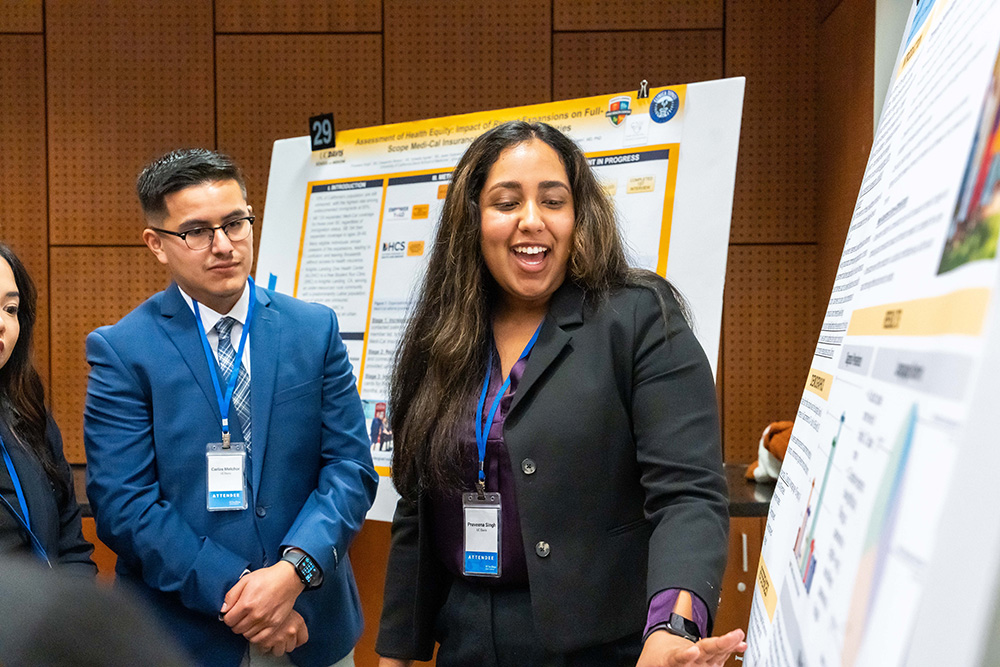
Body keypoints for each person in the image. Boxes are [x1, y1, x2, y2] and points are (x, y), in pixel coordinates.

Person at [376, 122, 747, 666]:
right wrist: (396, 654)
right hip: (467, 644)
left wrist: (674, 625)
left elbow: (688, 495)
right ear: (473, 220)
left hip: (604, 646)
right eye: (506, 203)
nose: (533, 219)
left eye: (553, 200)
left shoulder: (639, 319)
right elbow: (418, 508)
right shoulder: (441, 337)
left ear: (578, 216)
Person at [84, 149, 378, 667]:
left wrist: (293, 574)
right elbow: (123, 505)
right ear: (156, 243)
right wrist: (243, 594)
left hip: (312, 625)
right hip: (184, 636)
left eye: (235, 223)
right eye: (196, 231)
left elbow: (349, 468)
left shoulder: (314, 329)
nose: (223, 245)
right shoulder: (123, 350)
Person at [0, 242, 96, 573]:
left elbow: (71, 547)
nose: (2, 323)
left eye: (10, 309)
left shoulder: (28, 416)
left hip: (43, 617)